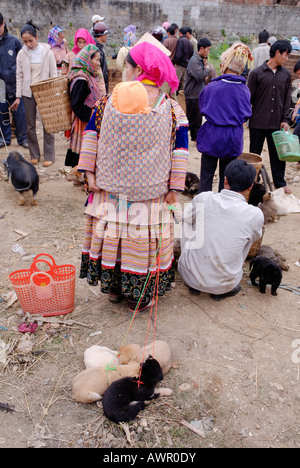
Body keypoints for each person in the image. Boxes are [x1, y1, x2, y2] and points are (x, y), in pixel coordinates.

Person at [77, 41, 189, 313]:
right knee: (140, 243)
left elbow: (91, 134)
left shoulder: (107, 102)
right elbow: (181, 149)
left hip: (110, 192)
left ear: (137, 68)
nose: (125, 70)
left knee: (114, 237)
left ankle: (115, 289)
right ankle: (137, 297)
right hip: (150, 197)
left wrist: (88, 172)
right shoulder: (172, 109)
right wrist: (174, 187)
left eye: (127, 65)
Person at [178, 159, 264, 301]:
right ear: (250, 187)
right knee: (249, 235)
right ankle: (220, 285)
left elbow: (185, 219)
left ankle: (194, 275)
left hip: (189, 276)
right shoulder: (255, 215)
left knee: (187, 220)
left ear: (225, 181)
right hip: (226, 285)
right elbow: (255, 238)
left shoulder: (203, 198)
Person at [197, 42, 253, 192]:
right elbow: (246, 115)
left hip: (212, 135)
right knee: (226, 176)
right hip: (232, 137)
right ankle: (222, 207)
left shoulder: (211, 87)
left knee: (207, 174)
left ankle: (203, 206)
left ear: (224, 65)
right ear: (241, 69)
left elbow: (202, 108)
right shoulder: (244, 90)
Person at [248, 40, 293, 193]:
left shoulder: (286, 75)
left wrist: (286, 119)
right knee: (254, 154)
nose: (287, 58)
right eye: (286, 55)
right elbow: (249, 99)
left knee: (278, 156)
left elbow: (287, 99)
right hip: (258, 122)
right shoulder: (256, 73)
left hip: (277, 123)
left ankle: (279, 183)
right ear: (277, 53)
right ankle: (253, 181)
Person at [11, 21, 57, 167]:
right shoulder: (21, 54)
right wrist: (18, 96)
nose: (28, 44)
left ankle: (49, 155)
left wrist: (53, 92)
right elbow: (19, 75)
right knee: (30, 125)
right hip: (28, 93)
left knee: (47, 124)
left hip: (44, 92)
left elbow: (53, 74)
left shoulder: (47, 52)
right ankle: (34, 154)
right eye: (25, 42)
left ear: (36, 36)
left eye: (30, 40)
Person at [65, 44, 106, 167]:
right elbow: (76, 105)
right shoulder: (82, 79)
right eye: (97, 60)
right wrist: (93, 117)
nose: (99, 63)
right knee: (85, 151)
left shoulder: (88, 75)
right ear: (88, 60)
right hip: (84, 123)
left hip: (88, 119)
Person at [0, 13, 28, 149]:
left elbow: (22, 61)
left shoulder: (14, 41)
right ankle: (5, 138)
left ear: (3, 23)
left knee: (20, 112)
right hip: (0, 85)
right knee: (2, 111)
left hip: (15, 82)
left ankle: (23, 138)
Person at [184, 37, 212, 142]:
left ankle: (195, 137)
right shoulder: (195, 60)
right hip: (192, 94)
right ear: (201, 48)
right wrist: (207, 69)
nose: (208, 52)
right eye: (208, 49)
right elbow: (200, 75)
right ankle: (194, 138)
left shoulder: (199, 60)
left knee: (196, 117)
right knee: (193, 118)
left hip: (197, 93)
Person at [173, 27, 193, 93]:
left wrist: (175, 62)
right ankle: (181, 97)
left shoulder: (180, 41)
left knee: (175, 82)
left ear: (180, 33)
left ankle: (173, 97)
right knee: (183, 83)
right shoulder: (189, 42)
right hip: (186, 65)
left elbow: (178, 54)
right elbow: (191, 54)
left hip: (180, 65)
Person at [93, 22, 110, 93]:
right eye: (106, 34)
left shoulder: (99, 47)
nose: (107, 36)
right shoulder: (95, 49)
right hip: (99, 86)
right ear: (101, 35)